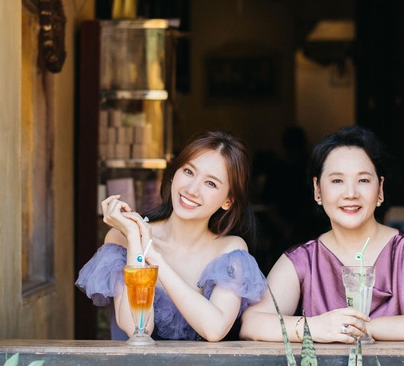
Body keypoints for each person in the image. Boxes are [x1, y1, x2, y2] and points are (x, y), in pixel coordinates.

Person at [240, 125, 404, 343]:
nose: (350, 193)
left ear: (380, 189)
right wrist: (316, 327)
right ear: (317, 190)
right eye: (337, 180)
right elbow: (251, 324)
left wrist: (365, 328)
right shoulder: (302, 261)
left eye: (363, 180)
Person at [77, 130, 267, 341]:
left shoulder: (230, 250)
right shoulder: (123, 239)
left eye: (210, 183)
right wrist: (135, 242)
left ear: (228, 201)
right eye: (188, 171)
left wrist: (155, 259)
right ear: (175, 173)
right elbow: (138, 327)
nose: (192, 189)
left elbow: (214, 329)